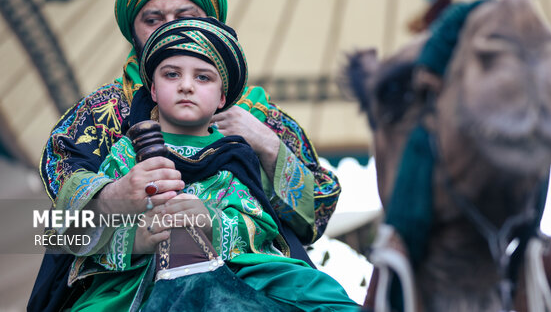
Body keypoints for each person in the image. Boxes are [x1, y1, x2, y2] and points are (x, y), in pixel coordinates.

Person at [30, 0, 341, 311]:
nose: (171, 27)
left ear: (212, 22)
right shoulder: (98, 113)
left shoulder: (260, 116)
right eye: (152, 19)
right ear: (134, 32)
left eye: (186, 15)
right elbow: (58, 227)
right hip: (125, 277)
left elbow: (319, 210)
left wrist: (267, 144)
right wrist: (119, 200)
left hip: (254, 272)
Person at [67, 17, 358, 311]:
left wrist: (210, 221)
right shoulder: (125, 154)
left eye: (203, 77)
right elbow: (77, 232)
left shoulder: (236, 154)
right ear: (153, 90)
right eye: (171, 75)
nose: (186, 86)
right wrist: (135, 240)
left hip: (235, 266)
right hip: (139, 276)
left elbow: (259, 225)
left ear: (222, 98)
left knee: (319, 291)